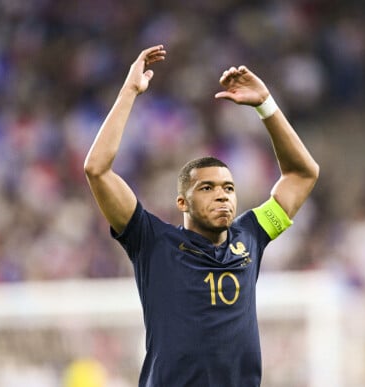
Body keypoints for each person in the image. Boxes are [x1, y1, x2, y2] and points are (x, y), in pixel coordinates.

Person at [84, 44, 319, 387]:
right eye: (207, 188)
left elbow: (303, 174)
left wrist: (265, 105)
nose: (222, 195)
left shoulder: (251, 236)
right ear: (182, 202)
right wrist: (130, 90)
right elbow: (97, 169)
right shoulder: (152, 242)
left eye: (228, 187)